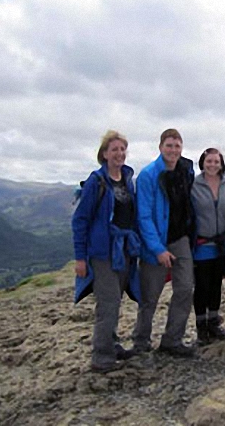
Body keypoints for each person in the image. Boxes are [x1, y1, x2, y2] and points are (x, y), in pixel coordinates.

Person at [72, 130, 141, 373]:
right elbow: (80, 220)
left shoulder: (127, 179)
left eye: (122, 149)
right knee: (108, 302)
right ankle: (101, 357)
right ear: (104, 154)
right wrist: (80, 258)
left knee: (116, 299)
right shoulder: (96, 182)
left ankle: (111, 344)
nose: (119, 154)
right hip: (102, 252)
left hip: (123, 250)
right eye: (114, 150)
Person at [131, 128, 196, 357]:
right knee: (150, 296)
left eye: (177, 145)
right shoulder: (149, 175)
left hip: (180, 239)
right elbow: (144, 216)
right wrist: (157, 249)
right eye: (169, 145)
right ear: (160, 147)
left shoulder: (186, 171)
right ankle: (141, 341)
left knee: (185, 289)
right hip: (155, 243)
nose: (173, 150)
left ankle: (172, 339)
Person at [191, 148, 225, 344]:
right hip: (201, 243)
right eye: (209, 161)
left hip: (222, 243)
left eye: (216, 161)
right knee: (201, 285)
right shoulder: (193, 185)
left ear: (221, 163)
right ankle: (201, 327)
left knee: (216, 283)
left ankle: (213, 322)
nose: (212, 165)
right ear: (202, 162)